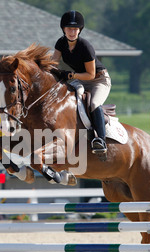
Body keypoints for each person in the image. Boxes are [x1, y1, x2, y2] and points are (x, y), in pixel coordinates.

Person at [51, 10, 112, 155]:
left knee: (94, 104)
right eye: (69, 29)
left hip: (99, 80)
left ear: (80, 30)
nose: (72, 32)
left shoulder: (85, 46)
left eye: (75, 29)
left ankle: (101, 140)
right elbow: (53, 64)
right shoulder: (61, 43)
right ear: (63, 29)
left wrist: (70, 74)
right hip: (80, 79)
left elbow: (90, 75)